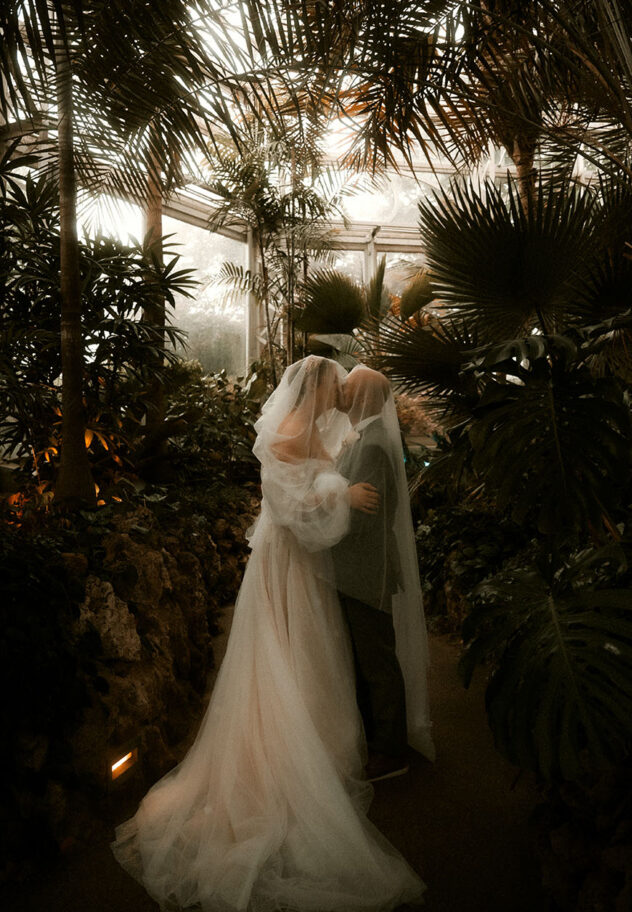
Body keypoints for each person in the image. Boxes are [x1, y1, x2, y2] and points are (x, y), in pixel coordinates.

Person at [112, 355, 425, 912]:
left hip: (313, 566)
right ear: (316, 386)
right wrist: (341, 496)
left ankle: (328, 745)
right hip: (288, 565)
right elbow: (290, 510)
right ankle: (295, 757)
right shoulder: (282, 436)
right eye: (334, 387)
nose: (340, 396)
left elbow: (329, 485)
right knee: (288, 650)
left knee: (319, 651)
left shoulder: (322, 430)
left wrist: (340, 490)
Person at [330, 366, 434, 781]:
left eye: (348, 388)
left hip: (366, 569)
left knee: (377, 661)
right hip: (352, 569)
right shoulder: (359, 436)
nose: (340, 392)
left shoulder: (371, 444)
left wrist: (316, 520)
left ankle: (391, 751)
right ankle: (376, 739)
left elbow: (363, 519)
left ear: (366, 398)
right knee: (361, 659)